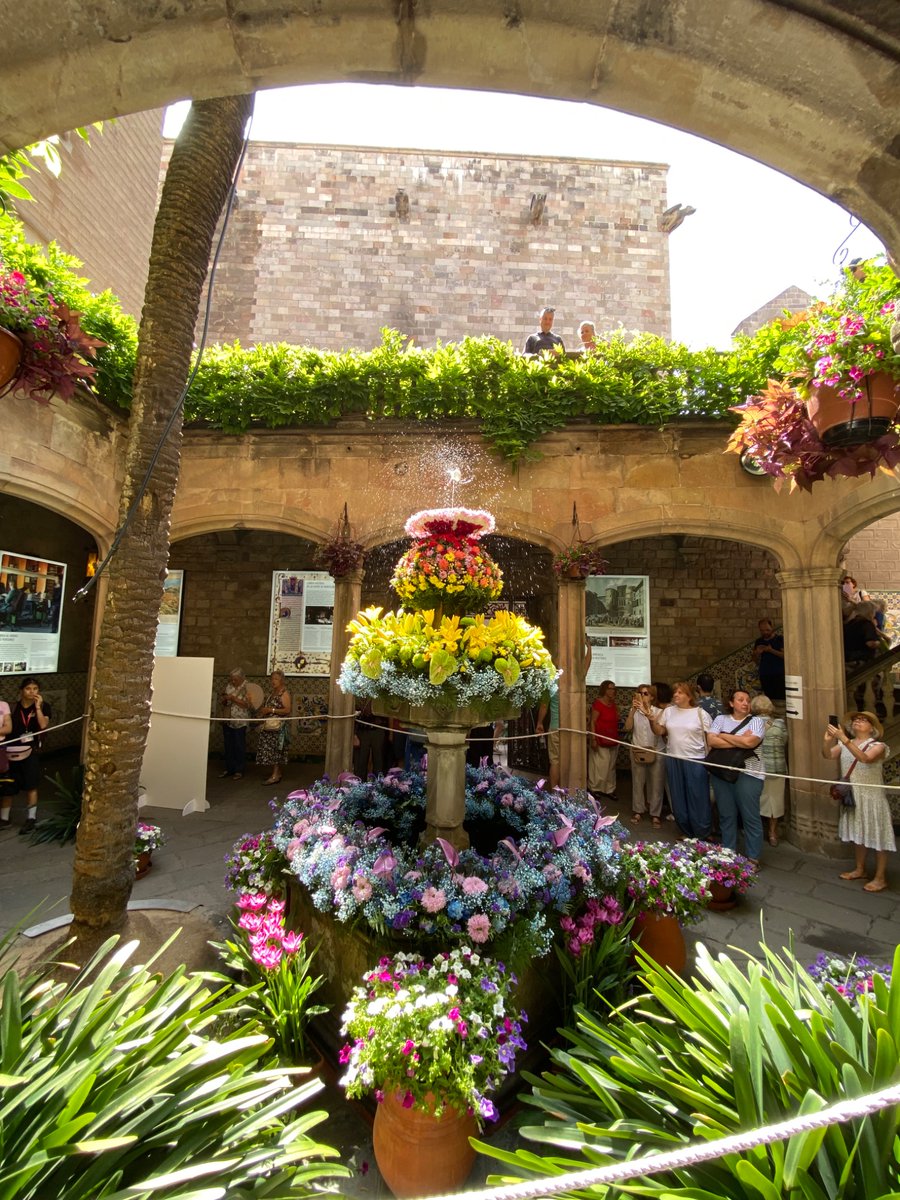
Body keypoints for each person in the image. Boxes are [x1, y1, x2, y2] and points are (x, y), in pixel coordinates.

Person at [824, 710, 893, 892]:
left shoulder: (878, 745)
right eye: (856, 719)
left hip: (872, 797)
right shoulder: (845, 743)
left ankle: (880, 877)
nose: (858, 722)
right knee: (858, 834)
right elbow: (827, 755)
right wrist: (828, 740)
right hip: (853, 796)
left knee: (879, 837)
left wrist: (843, 739)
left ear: (872, 728)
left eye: (863, 720)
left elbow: (865, 758)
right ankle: (860, 869)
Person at [707, 689, 766, 862]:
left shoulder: (756, 722)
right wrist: (738, 740)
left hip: (748, 773)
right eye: (740, 700)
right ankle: (728, 852)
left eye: (748, 700)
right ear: (731, 703)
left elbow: (751, 742)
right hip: (722, 771)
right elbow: (711, 741)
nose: (745, 703)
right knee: (726, 814)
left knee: (750, 816)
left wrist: (724, 736)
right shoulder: (720, 719)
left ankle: (753, 857)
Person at [649, 681, 712, 838]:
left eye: (680, 692)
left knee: (697, 797)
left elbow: (709, 739)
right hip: (674, 758)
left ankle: (701, 833)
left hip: (695, 760)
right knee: (678, 797)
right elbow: (659, 731)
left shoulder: (701, 714)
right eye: (675, 692)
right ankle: (686, 831)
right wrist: (651, 720)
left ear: (689, 696)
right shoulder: (669, 711)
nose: (675, 695)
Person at [0, 677, 51, 834]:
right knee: (9, 785)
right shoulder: (12, 707)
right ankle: (4, 818)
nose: (32, 692)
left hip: (31, 751)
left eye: (35, 689)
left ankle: (31, 818)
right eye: (29, 689)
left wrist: (38, 708)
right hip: (11, 750)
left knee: (31, 784)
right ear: (21, 690)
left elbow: (43, 725)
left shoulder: (44, 706)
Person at [624, 683, 665, 826]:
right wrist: (632, 712)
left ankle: (655, 814)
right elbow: (628, 728)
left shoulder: (659, 712)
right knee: (638, 781)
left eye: (645, 693)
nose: (642, 696)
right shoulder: (633, 711)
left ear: (652, 697)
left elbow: (659, 731)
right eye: (640, 693)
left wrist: (647, 712)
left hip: (656, 751)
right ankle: (638, 810)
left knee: (656, 783)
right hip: (637, 750)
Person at [752, 693, 788, 846]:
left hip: (758, 768)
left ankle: (757, 830)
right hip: (778, 767)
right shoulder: (780, 724)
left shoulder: (751, 722)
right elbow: (785, 742)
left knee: (756, 800)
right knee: (775, 801)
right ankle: (773, 833)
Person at [256, 669, 292, 786]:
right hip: (269, 726)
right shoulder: (273, 693)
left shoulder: (284, 693)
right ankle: (277, 772)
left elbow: (287, 710)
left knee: (276, 750)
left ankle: (275, 775)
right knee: (270, 750)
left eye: (276, 679)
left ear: (282, 680)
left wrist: (271, 710)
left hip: (278, 727)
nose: (273, 681)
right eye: (272, 679)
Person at [219, 667, 251, 780]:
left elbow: (248, 705)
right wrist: (225, 699)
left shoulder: (248, 687)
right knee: (228, 745)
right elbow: (224, 701)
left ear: (242, 678)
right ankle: (229, 768)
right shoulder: (229, 686)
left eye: (235, 679)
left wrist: (233, 698)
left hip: (240, 721)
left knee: (239, 745)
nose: (233, 681)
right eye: (232, 679)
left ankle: (239, 770)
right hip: (228, 719)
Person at [588, 680, 619, 798]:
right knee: (600, 765)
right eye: (610, 688)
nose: (612, 691)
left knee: (611, 766)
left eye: (613, 689)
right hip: (600, 738)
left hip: (612, 738)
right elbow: (593, 721)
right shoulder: (598, 703)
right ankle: (595, 788)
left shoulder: (613, 704)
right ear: (604, 690)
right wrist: (593, 738)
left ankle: (609, 789)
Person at [353, 698, 388, 778]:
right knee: (361, 760)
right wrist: (354, 734)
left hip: (378, 729)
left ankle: (379, 784)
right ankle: (359, 784)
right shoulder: (359, 694)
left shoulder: (381, 694)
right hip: (363, 730)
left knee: (379, 759)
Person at [753, 618, 786, 702]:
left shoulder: (779, 639)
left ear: (772, 627)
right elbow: (755, 661)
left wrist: (771, 650)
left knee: (780, 699)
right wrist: (757, 653)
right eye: (762, 630)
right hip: (765, 675)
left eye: (767, 630)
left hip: (779, 675)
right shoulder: (759, 641)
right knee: (770, 699)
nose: (765, 632)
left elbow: (785, 656)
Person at [536, 689, 561, 789]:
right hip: (572, 729)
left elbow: (544, 705)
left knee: (555, 760)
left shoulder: (552, 681)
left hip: (555, 727)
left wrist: (539, 722)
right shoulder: (573, 681)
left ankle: (555, 793)